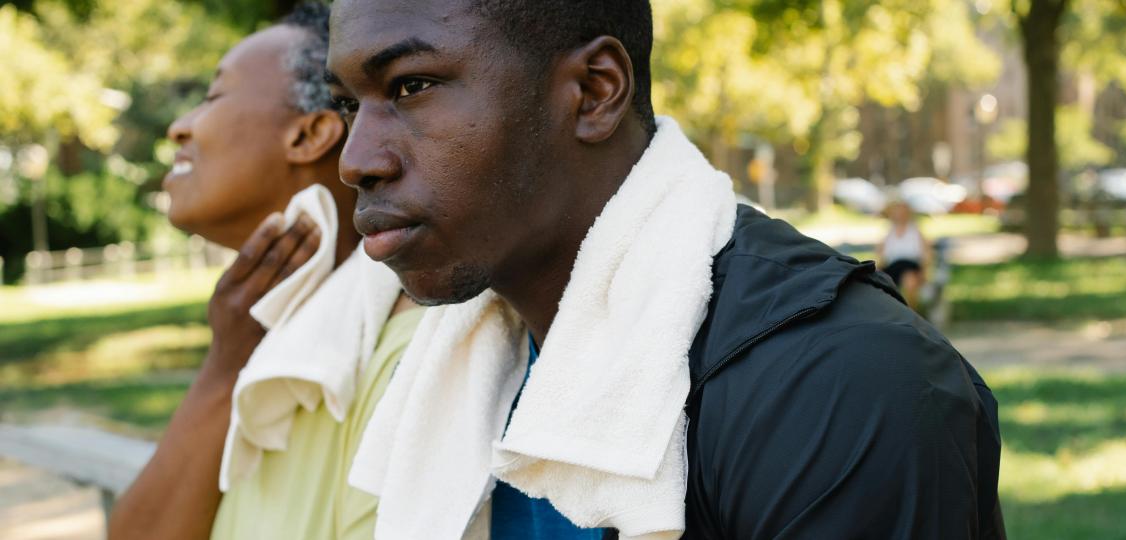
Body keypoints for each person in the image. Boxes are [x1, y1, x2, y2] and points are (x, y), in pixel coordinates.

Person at [325, 0, 1004, 538]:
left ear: (594, 91)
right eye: (350, 104)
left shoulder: (839, 384)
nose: (355, 160)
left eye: (412, 86)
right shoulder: (456, 371)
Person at [109, 4, 420, 539]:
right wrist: (225, 364)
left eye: (212, 97)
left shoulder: (405, 354)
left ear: (308, 136)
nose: (179, 127)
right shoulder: (257, 334)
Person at [877, 199, 932, 308]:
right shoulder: (889, 233)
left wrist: (924, 272)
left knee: (909, 280)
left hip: (911, 266)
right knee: (882, 282)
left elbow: (927, 255)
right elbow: (881, 257)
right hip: (893, 267)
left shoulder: (916, 232)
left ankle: (910, 312)